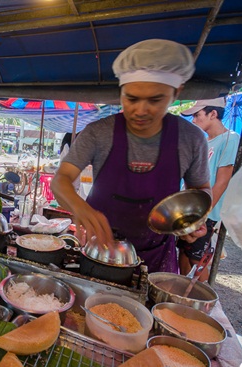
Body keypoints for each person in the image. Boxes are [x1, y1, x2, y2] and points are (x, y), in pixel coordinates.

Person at [51, 39, 211, 274]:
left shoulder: (191, 139)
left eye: (155, 100)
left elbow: (201, 189)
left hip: (156, 257)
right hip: (100, 252)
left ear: (176, 93)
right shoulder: (98, 132)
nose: (140, 110)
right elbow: (61, 179)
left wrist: (193, 221)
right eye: (131, 98)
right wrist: (81, 208)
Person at [178, 97, 241, 280]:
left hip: (206, 212)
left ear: (213, 114)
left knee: (196, 259)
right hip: (189, 208)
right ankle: (181, 295)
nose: (194, 120)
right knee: (183, 252)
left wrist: (202, 215)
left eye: (198, 115)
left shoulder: (229, 139)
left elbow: (222, 182)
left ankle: (201, 300)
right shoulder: (204, 141)